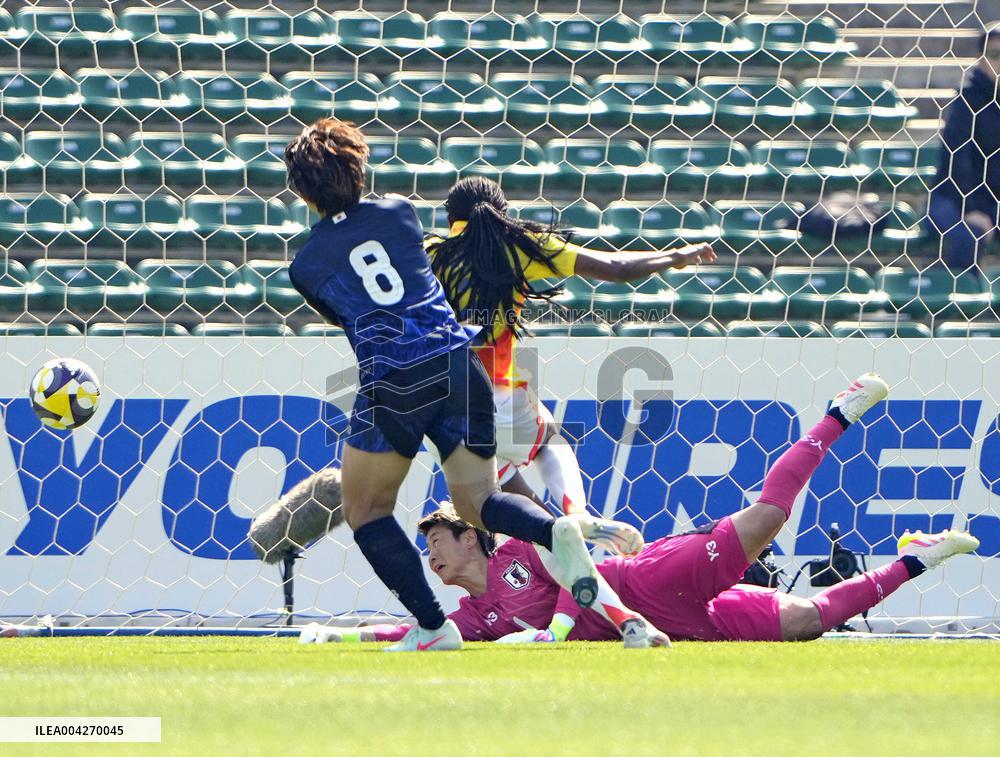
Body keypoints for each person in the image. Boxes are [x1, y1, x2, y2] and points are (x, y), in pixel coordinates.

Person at [283, 118, 648, 651]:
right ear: (359, 168)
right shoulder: (399, 214)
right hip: (461, 364)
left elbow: (347, 312)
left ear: (300, 189)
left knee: (367, 510)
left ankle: (432, 627)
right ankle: (555, 530)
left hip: (394, 379)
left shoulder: (307, 265)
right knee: (480, 499)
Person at [299, 373, 979, 645]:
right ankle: (918, 559)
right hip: (676, 629)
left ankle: (839, 411)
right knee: (807, 621)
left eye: (437, 541)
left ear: (470, 534)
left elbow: (571, 569)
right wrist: (338, 633)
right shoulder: (473, 618)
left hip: (652, 582)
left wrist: (558, 632)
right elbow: (409, 632)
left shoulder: (519, 544)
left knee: (768, 520)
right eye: (428, 554)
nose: (434, 557)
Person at [426, 177, 716, 516]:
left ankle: (554, 537)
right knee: (550, 441)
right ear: (501, 213)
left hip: (445, 404)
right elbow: (616, 268)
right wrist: (676, 256)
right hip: (501, 393)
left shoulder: (430, 255)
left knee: (505, 495)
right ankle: (576, 515)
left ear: (450, 220)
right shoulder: (520, 246)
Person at [926, 24, 1000, 274]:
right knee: (969, 235)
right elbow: (958, 163)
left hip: (994, 204)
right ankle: (959, 304)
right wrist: (973, 210)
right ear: (981, 59)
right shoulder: (966, 103)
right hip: (954, 199)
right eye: (995, 55)